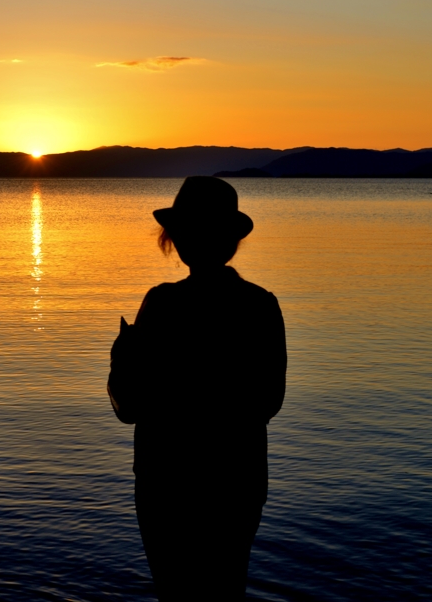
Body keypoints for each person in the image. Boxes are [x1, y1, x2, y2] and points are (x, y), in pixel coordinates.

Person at [107, 177, 287, 601]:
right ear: (231, 243)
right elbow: (268, 401)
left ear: (179, 239)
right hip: (236, 480)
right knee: (226, 588)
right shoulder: (260, 305)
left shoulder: (163, 304)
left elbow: (129, 405)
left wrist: (121, 357)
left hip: (167, 480)